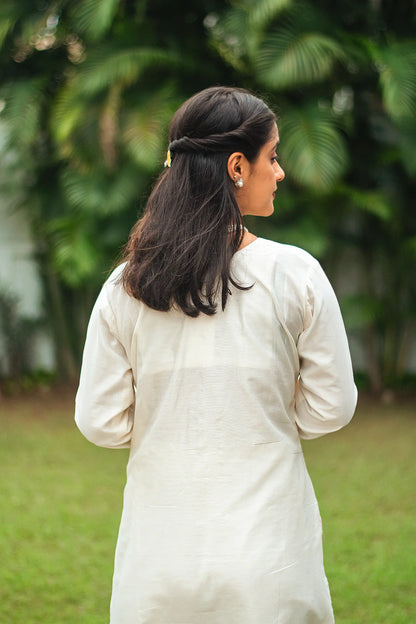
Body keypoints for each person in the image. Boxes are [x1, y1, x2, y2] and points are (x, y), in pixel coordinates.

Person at [75, 86, 357, 624]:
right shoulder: (294, 274)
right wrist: (266, 411)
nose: (280, 172)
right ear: (236, 165)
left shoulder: (126, 285)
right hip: (270, 563)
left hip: (157, 568)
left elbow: (100, 422)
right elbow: (332, 407)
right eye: (272, 157)